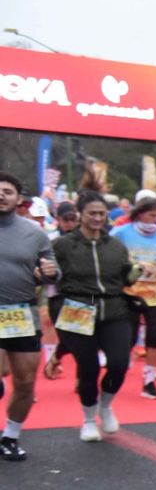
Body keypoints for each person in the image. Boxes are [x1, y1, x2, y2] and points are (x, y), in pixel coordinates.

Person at [51, 192, 139, 442]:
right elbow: (50, 277)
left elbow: (125, 278)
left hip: (114, 309)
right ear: (80, 214)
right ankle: (89, 419)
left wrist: (135, 272)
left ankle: (106, 405)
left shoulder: (115, 246)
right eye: (92, 213)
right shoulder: (63, 245)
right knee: (87, 368)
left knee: (120, 364)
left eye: (102, 213)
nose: (98, 218)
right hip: (77, 308)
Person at [0, 170, 57, 461]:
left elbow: (52, 270)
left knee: (24, 382)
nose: (1, 195)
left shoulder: (34, 233)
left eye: (7, 191)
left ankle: (10, 436)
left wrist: (48, 273)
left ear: (18, 198)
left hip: (20, 312)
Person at [111, 194, 156, 399]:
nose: (155, 221)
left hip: (154, 294)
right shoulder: (121, 233)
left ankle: (149, 381)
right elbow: (108, 254)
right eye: (152, 216)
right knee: (129, 337)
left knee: (155, 335)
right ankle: (117, 368)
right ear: (140, 214)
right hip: (129, 292)